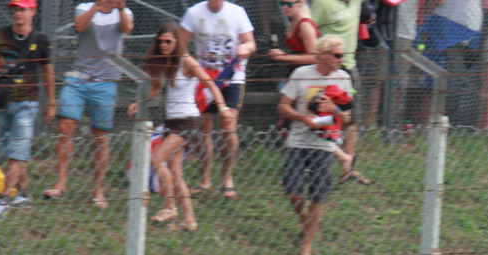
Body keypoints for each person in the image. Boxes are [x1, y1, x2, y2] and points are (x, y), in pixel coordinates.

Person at [128, 22, 230, 231]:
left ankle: (169, 206)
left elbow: (210, 84)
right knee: (175, 172)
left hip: (188, 121)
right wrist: (139, 102)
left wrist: (222, 107)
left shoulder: (187, 62)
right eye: (161, 41)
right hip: (171, 121)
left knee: (157, 160)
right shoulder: (161, 63)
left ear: (177, 42)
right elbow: (155, 89)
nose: (164, 45)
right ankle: (190, 220)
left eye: (169, 41)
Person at [45, 0, 133, 206]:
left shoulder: (124, 12)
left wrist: (119, 8)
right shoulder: (84, 8)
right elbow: (80, 26)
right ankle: (61, 182)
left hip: (106, 81)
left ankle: (98, 190)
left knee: (100, 136)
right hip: (78, 77)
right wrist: (97, 6)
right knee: (65, 126)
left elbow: (127, 28)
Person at [279, 35, 354, 255]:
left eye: (343, 55)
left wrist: (335, 110)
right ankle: (306, 222)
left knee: (318, 196)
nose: (341, 60)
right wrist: (302, 117)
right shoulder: (301, 74)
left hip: (324, 144)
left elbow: (349, 117)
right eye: (337, 55)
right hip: (298, 139)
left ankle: (306, 248)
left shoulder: (343, 78)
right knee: (291, 189)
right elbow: (282, 105)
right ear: (323, 55)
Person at [0, 0, 55, 221]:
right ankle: (23, 193)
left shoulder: (41, 41)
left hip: (26, 102)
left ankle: (3, 200)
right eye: (15, 9)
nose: (18, 14)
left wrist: (51, 102)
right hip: (1, 100)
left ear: (33, 11)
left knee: (17, 150)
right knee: (10, 151)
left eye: (22, 9)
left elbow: (48, 71)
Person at [267, 0, 360, 177]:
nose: (285, 7)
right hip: (299, 77)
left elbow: (315, 58)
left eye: (288, 3)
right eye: (281, 3)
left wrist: (286, 58)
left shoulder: (305, 24)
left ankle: (337, 159)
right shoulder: (295, 21)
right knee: (303, 123)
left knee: (310, 122)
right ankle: (312, 165)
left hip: (310, 78)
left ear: (301, 2)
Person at [180, 0, 256, 200]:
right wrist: (191, 66)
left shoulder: (238, 12)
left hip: (232, 76)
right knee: (204, 129)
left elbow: (251, 43)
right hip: (204, 77)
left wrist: (245, 48)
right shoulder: (193, 13)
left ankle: (227, 178)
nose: (216, 2)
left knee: (228, 126)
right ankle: (205, 179)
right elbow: (182, 45)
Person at [310, 0, 374, 183]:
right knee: (320, 116)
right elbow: (308, 30)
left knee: (351, 119)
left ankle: (348, 167)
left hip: (349, 67)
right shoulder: (323, 4)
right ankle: (311, 165)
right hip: (327, 70)